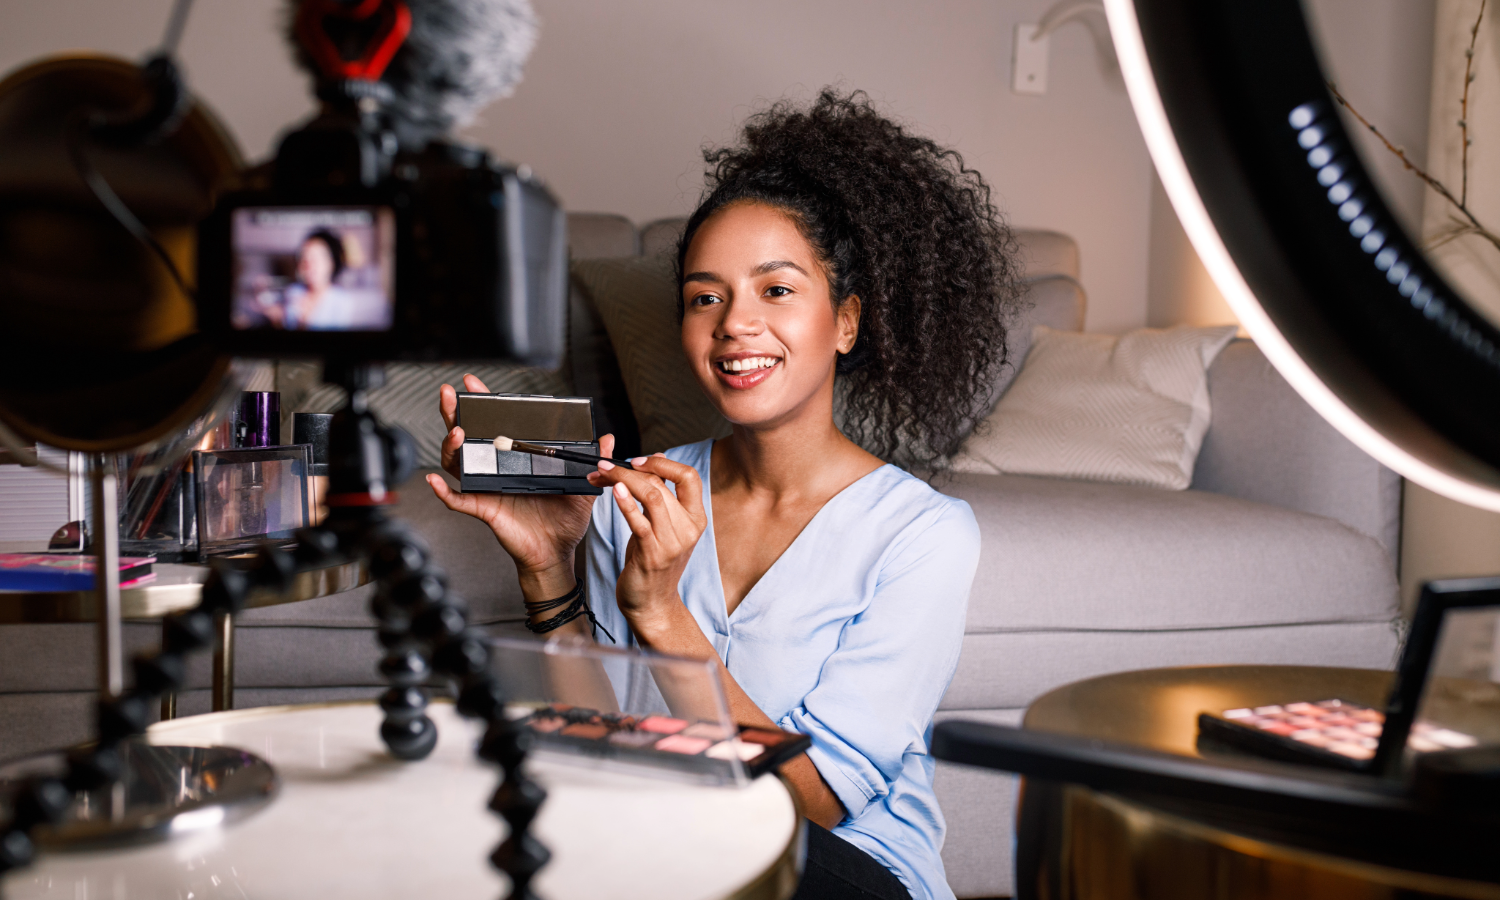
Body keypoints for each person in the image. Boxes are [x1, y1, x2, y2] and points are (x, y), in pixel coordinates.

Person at [428, 89, 1019, 900]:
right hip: (667, 861)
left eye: (776, 291)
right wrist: (550, 571)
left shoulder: (922, 534)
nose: (735, 324)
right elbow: (600, 753)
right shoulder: (638, 499)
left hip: (838, 873)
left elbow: (810, 802)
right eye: (706, 297)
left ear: (845, 321)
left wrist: (664, 614)